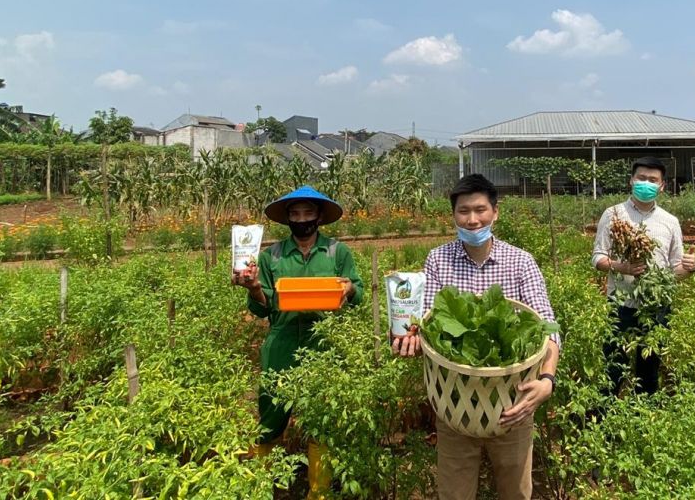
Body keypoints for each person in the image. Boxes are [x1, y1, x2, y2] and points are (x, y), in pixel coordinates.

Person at [393, 174, 559, 500]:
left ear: (495, 212)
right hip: (454, 403)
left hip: (514, 403)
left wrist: (547, 381)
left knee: (517, 493)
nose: (472, 219)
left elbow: (547, 329)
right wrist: (408, 336)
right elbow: (427, 323)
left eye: (480, 210)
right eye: (463, 211)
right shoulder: (437, 260)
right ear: (453, 215)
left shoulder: (520, 262)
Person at [233, 185, 363, 497]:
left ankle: (318, 491)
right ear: (287, 219)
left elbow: (356, 289)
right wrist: (252, 288)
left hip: (325, 345)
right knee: (271, 416)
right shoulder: (270, 256)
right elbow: (261, 306)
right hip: (282, 343)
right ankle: (265, 485)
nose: (301, 219)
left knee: (322, 419)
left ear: (319, 216)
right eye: (295, 213)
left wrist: (348, 290)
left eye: (307, 213)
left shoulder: (337, 252)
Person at [591, 156, 695, 396]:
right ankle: (605, 420)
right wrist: (623, 267)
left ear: (662, 186)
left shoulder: (670, 221)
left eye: (653, 180)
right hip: (620, 303)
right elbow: (597, 258)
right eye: (641, 178)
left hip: (656, 307)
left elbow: (675, 270)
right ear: (631, 180)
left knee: (649, 370)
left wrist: (690, 267)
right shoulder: (614, 214)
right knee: (612, 367)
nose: (646, 183)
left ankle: (643, 419)